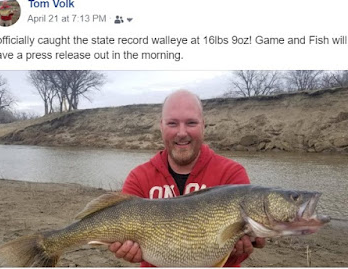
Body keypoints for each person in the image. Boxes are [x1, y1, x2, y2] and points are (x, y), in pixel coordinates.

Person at [109, 89, 265, 267]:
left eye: (191, 123)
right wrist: (128, 251)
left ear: (203, 125)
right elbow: (124, 241)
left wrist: (238, 252)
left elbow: (239, 254)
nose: (181, 132)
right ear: (161, 126)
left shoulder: (232, 174)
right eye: (172, 123)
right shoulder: (138, 178)